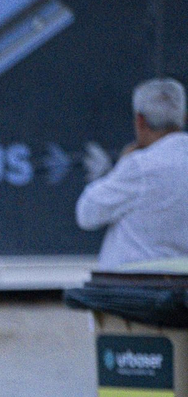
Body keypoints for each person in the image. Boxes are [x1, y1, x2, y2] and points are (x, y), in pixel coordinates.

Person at [76, 77, 188, 269]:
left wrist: (121, 166)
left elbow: (87, 214)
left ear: (140, 120)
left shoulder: (139, 166)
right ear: (184, 117)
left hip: (134, 288)